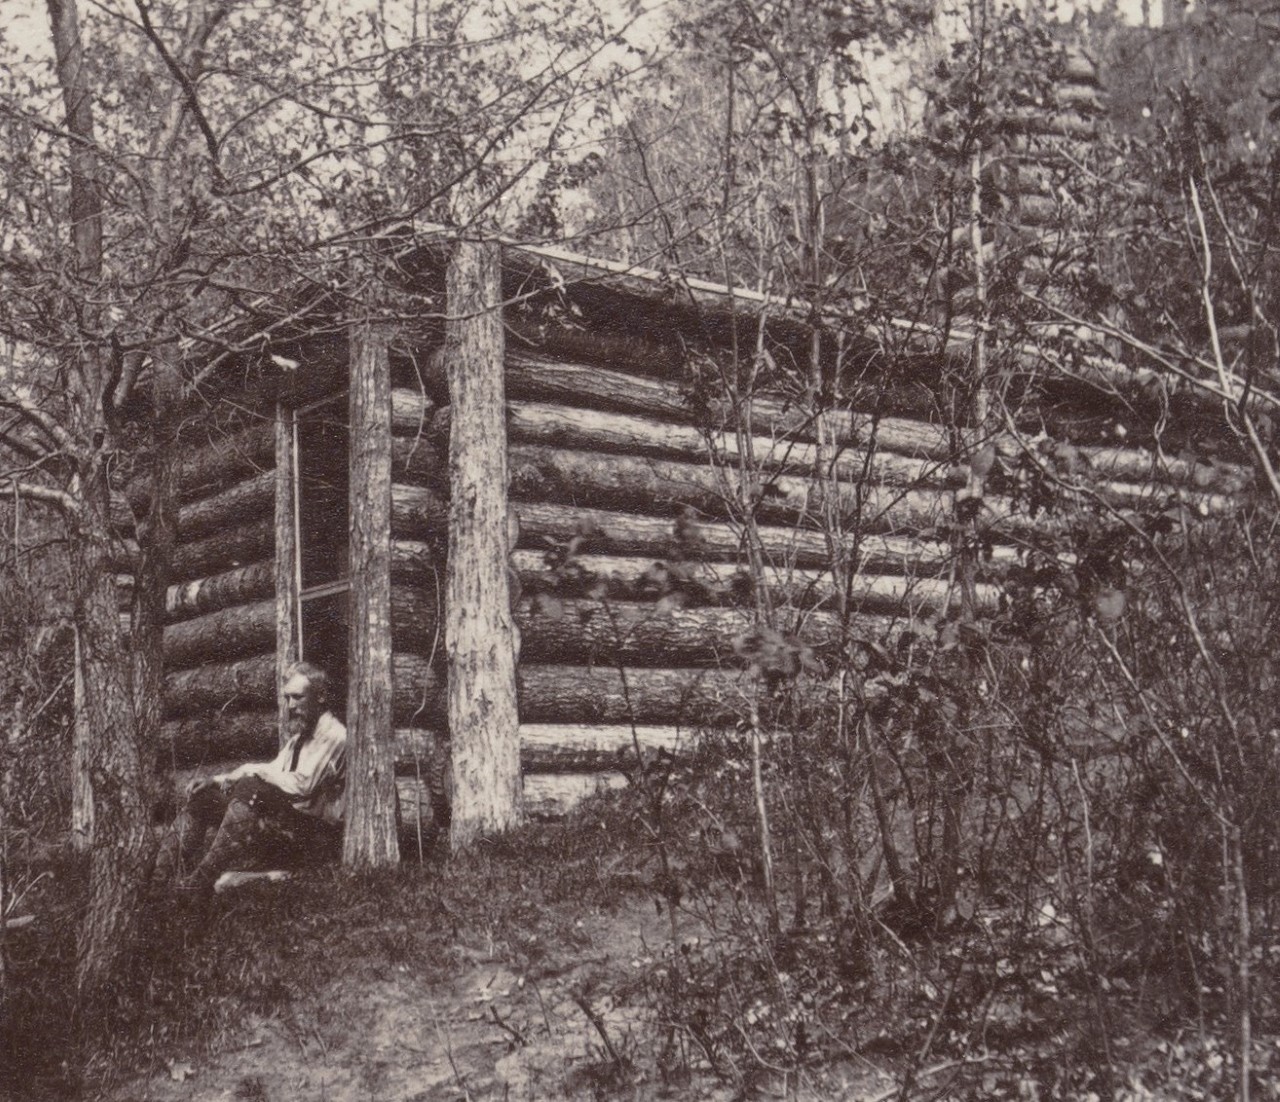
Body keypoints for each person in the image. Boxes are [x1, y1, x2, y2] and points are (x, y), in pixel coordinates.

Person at [156, 661, 346, 898]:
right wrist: (216, 780)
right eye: (287, 698)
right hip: (288, 827)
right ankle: (157, 883)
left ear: (321, 697)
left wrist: (251, 772)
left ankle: (197, 884)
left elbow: (302, 786)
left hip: (315, 837)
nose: (291, 706)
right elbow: (273, 770)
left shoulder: (335, 735)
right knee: (204, 796)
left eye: (298, 697)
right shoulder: (299, 740)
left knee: (252, 787)